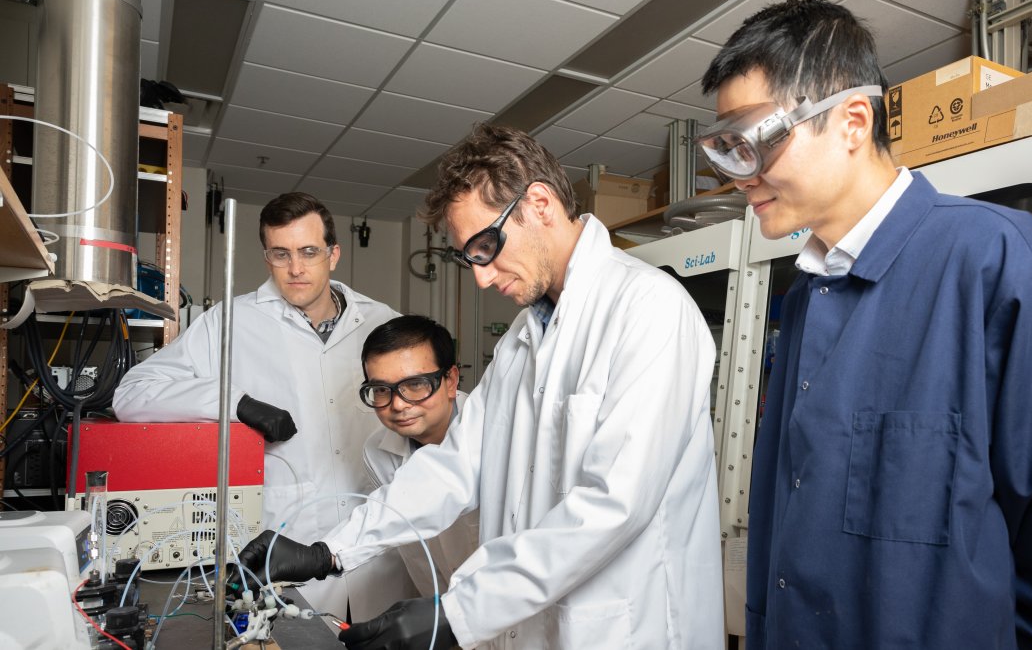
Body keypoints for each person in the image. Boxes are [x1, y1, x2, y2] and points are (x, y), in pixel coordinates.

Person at [696, 0, 1032, 649]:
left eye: (755, 140)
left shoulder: (996, 262)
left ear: (852, 121)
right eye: (724, 149)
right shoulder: (804, 296)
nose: (740, 174)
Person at [235, 123, 724, 650]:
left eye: (486, 246)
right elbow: (458, 463)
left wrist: (458, 615)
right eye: (470, 257)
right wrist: (329, 551)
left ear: (539, 203)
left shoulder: (648, 308)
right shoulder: (524, 335)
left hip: (628, 628)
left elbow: (613, 506)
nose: (482, 278)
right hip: (536, 628)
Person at [113, 192, 404, 620]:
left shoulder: (382, 322)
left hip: (380, 547)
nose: (296, 268)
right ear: (266, 256)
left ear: (334, 254)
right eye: (280, 253)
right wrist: (237, 403)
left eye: (309, 252)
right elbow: (132, 393)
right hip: (286, 546)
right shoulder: (231, 321)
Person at [357, 315, 479, 598]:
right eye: (381, 390)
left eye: (415, 384)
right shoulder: (377, 452)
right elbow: (416, 552)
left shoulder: (489, 435)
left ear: (450, 380)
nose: (398, 404)